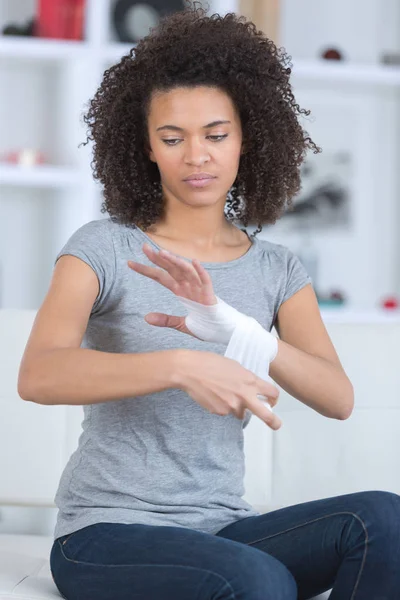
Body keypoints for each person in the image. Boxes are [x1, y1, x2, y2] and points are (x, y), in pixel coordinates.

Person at [18, 2, 400, 599]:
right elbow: (38, 373)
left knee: (384, 520)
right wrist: (182, 363)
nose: (196, 156)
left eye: (216, 135)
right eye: (172, 138)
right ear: (144, 146)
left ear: (248, 137)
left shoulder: (276, 269)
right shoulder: (104, 247)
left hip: (222, 528)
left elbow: (337, 397)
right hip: (105, 535)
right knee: (258, 579)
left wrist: (233, 330)